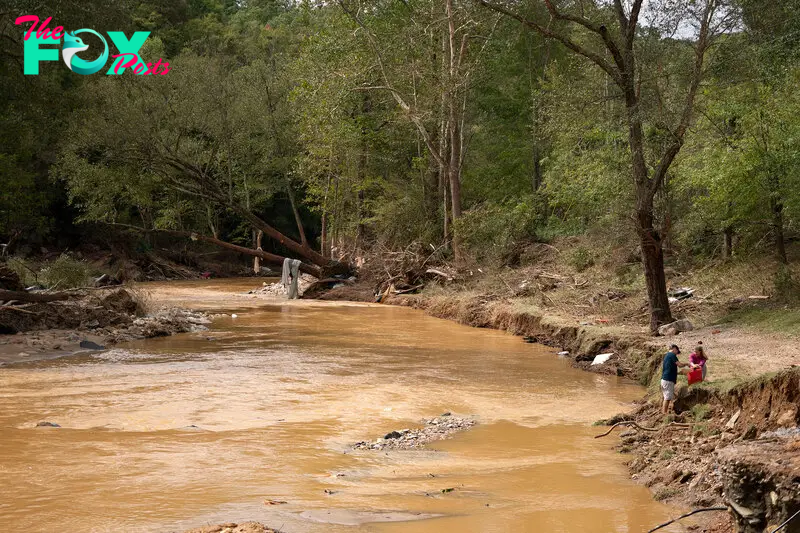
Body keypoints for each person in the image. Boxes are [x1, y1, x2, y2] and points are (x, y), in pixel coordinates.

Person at [661, 344, 690, 414]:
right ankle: (664, 413)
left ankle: (666, 411)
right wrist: (686, 364)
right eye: (677, 351)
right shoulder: (672, 355)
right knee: (667, 398)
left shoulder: (667, 355)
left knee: (667, 396)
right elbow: (679, 365)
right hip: (668, 379)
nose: (677, 353)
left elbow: (670, 368)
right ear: (674, 349)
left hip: (665, 379)